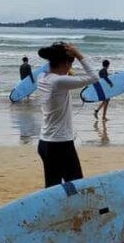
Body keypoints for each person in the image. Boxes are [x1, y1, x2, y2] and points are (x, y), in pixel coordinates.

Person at [36, 42, 98, 188]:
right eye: (71, 64)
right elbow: (94, 77)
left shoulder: (42, 77)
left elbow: (61, 74)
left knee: (53, 187)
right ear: (65, 63)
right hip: (60, 144)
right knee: (76, 186)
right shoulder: (58, 81)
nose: (71, 68)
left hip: (45, 142)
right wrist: (78, 54)